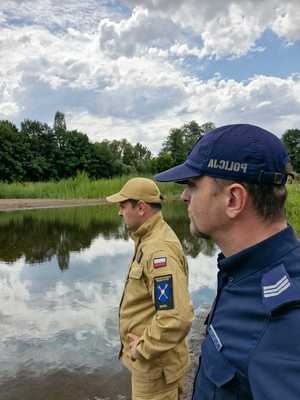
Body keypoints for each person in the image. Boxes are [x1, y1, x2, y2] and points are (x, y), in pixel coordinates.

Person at [155, 124, 300, 400]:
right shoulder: (242, 271)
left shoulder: (285, 325)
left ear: (233, 199)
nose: (184, 195)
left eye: (193, 184)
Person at [106, 177, 194, 400]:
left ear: (141, 207)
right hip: (155, 364)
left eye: (123, 205)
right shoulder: (149, 237)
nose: (119, 212)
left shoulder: (158, 250)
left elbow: (176, 317)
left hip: (155, 367)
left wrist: (142, 348)